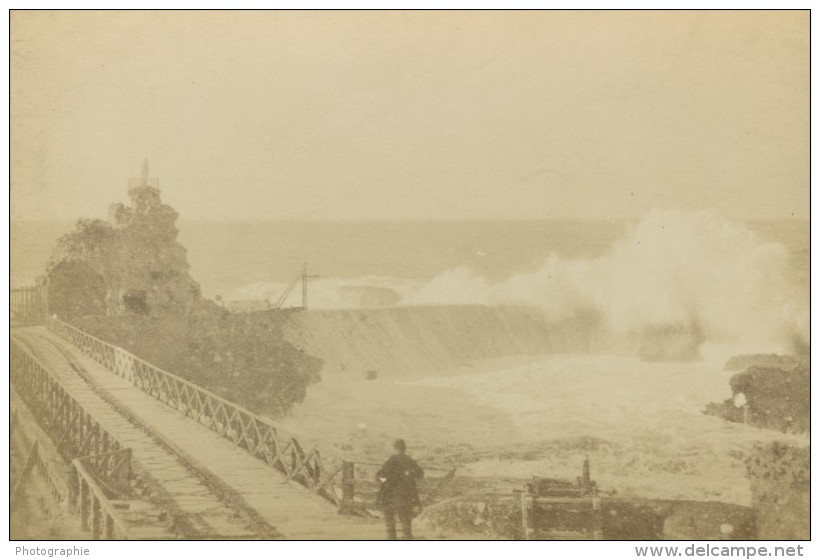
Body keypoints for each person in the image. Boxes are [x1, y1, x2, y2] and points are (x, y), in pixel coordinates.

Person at [376, 439, 424, 540]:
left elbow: (379, 476)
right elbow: (420, 474)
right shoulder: (410, 460)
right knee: (406, 518)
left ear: (394, 448)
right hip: (407, 494)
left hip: (390, 494)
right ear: (404, 449)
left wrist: (385, 481)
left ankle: (391, 538)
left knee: (389, 517)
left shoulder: (391, 460)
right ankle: (407, 537)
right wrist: (409, 476)